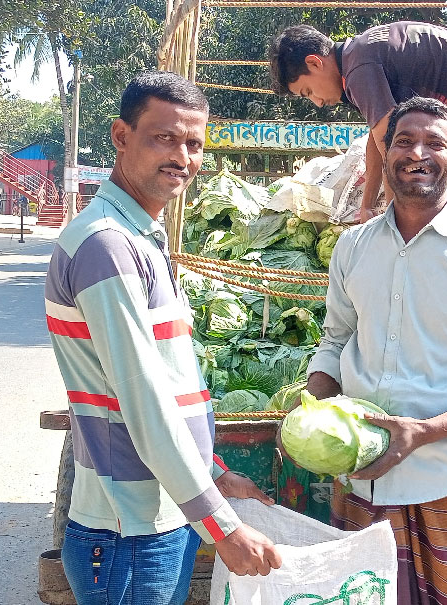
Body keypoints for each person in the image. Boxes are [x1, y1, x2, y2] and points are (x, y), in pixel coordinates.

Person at [44, 72, 281, 605]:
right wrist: (222, 528)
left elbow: (166, 386)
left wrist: (213, 473)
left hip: (157, 517)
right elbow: (144, 401)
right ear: (121, 136)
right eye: (163, 138)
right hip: (126, 531)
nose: (181, 156)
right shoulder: (107, 246)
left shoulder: (140, 237)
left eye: (193, 144)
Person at [297, 97, 447, 605]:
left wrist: (425, 432)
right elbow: (336, 339)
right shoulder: (353, 248)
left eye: (436, 143)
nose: (418, 153)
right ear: (384, 155)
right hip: (359, 482)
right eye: (404, 141)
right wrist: (308, 410)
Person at [269, 22, 447, 222]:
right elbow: (379, 136)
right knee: (412, 211)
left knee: (419, 211)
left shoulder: (359, 69)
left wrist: (392, 220)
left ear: (314, 62)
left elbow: (393, 153)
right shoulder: (356, 57)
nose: (317, 102)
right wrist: (367, 207)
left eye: (308, 91)